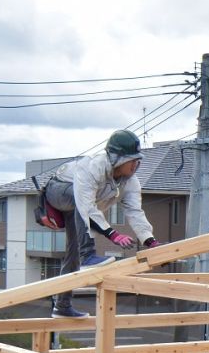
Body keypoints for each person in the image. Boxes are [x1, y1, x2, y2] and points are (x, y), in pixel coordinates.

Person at [41, 129, 158, 319]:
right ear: (117, 159)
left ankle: (62, 305)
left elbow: (135, 211)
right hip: (59, 191)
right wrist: (112, 234)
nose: (136, 164)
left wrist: (149, 241)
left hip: (80, 208)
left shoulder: (130, 182)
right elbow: (86, 205)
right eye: (132, 160)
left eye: (138, 160)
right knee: (78, 201)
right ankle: (88, 256)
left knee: (73, 252)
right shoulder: (92, 168)